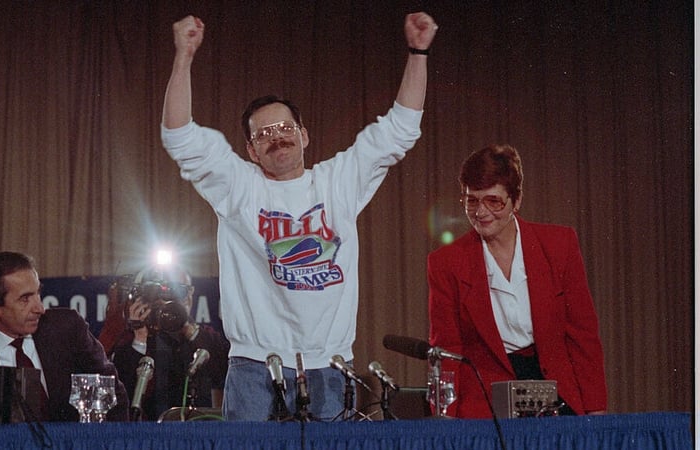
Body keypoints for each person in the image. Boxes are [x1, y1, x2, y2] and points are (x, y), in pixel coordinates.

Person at [160, 12, 437, 421]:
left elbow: (401, 129)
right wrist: (183, 56)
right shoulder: (239, 185)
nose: (277, 137)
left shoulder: (338, 181)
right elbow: (179, 135)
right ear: (251, 151)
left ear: (304, 134)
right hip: (254, 365)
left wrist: (418, 52)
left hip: (329, 366)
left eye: (285, 127)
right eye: (263, 134)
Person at [426, 145, 608, 419]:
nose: (481, 212)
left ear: (517, 200)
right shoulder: (446, 262)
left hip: (558, 393)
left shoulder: (560, 245)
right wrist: (445, 416)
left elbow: (583, 336)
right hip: (485, 403)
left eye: (494, 201)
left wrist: (595, 410)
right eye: (471, 201)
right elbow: (448, 348)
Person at [0, 252, 129, 449]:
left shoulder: (68, 328)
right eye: (25, 299)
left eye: (38, 293)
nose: (39, 307)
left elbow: (112, 393)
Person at [99, 265, 230, 421]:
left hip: (192, 427)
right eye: (158, 293)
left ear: (190, 295)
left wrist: (185, 324)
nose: (165, 300)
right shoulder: (128, 338)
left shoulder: (201, 337)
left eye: (177, 291)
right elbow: (120, 389)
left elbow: (224, 370)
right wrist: (140, 337)